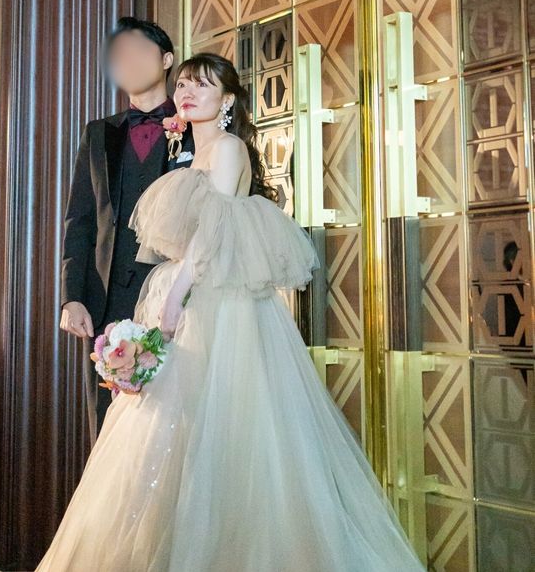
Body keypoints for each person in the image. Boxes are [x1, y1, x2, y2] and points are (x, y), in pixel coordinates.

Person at [37, 53, 426, 572]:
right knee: (172, 433)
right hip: (188, 299)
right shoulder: (192, 153)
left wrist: (173, 300)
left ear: (227, 100)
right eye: (183, 85)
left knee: (229, 427)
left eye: (202, 85)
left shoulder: (227, 148)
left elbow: (211, 238)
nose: (187, 92)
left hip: (217, 308)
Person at [59, 17, 194, 439]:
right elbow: (80, 219)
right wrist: (71, 297)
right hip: (106, 300)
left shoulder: (196, 126)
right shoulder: (98, 133)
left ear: (167, 59)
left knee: (173, 426)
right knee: (108, 428)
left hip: (175, 297)